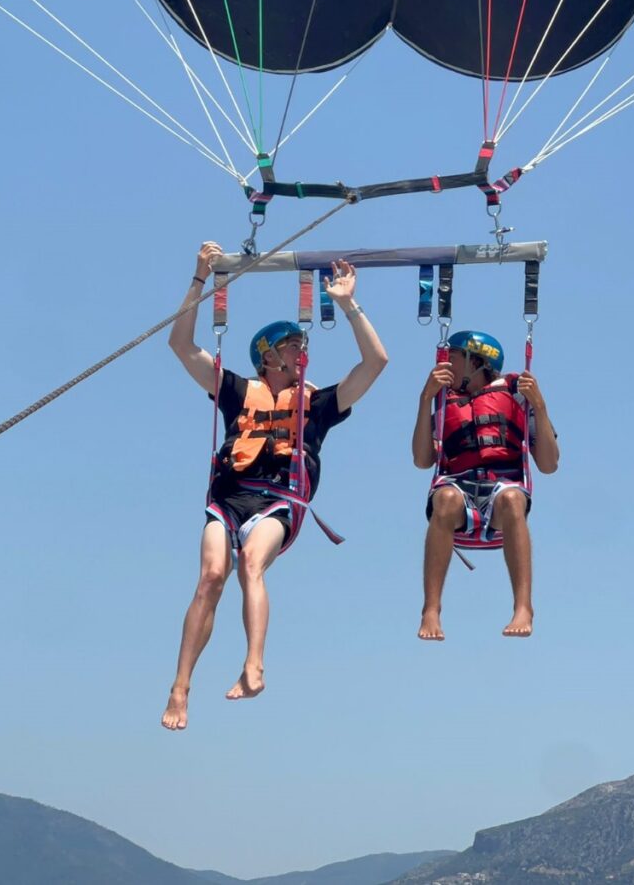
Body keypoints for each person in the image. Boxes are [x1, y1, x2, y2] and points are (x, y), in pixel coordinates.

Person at [162, 242, 387, 727]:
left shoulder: (318, 406)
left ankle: (254, 666)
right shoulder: (238, 392)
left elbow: (376, 363)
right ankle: (180, 687)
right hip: (228, 499)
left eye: (302, 346)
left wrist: (349, 305)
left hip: (278, 502)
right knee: (210, 577)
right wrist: (199, 279)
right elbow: (181, 345)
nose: (302, 352)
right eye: (293, 346)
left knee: (250, 563)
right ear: (268, 356)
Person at [412, 329, 558, 641]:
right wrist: (425, 399)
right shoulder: (444, 400)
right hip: (458, 488)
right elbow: (423, 460)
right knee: (444, 498)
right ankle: (431, 609)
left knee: (512, 499)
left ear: (476, 362)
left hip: (502, 488)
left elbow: (548, 464)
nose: (444, 366)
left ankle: (523, 607)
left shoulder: (517, 395)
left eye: (451, 358)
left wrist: (540, 406)